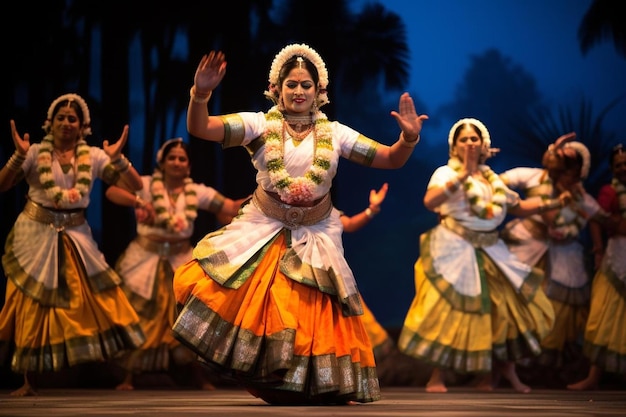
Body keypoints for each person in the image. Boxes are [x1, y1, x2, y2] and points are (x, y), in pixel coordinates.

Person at [171, 43, 428, 405]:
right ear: (275, 89)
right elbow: (202, 128)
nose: (298, 92)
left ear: (319, 91)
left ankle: (312, 385)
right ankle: (271, 379)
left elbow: (388, 159)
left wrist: (408, 138)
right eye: (291, 84)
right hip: (264, 228)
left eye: (306, 85)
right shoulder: (259, 125)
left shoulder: (336, 134)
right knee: (269, 307)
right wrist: (201, 93)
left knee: (315, 313)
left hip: (317, 232)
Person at [398, 118, 569, 394]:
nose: (469, 143)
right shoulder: (445, 173)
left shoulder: (493, 180)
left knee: (502, 310)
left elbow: (520, 206)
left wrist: (553, 202)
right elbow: (430, 202)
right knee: (448, 311)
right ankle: (437, 376)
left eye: (474, 139)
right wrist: (463, 175)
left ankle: (494, 375)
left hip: (491, 248)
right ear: (454, 147)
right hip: (454, 246)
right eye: (463, 139)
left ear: (483, 144)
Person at [0, 93, 146, 396]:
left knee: (94, 297)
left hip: (75, 234)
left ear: (83, 126)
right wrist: (17, 156)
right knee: (32, 302)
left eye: (73, 118)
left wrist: (118, 158)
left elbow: (136, 186)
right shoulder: (34, 152)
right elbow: (3, 185)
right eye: (61, 117)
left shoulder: (92, 157)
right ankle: (29, 380)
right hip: (34, 231)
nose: (67, 122)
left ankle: (105, 362)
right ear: (49, 123)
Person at [104, 137, 246, 391]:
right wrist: (138, 202)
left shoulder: (197, 192)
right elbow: (112, 191)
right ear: (162, 162)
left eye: (182, 159)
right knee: (140, 315)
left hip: (180, 259)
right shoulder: (145, 185)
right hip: (144, 258)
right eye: (172, 158)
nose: (177, 162)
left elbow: (228, 207)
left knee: (187, 316)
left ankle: (198, 375)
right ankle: (128, 376)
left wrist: (258, 201)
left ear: (189, 166)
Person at [499, 136, 610, 383]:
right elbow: (498, 183)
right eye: (563, 171)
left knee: (555, 310)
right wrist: (514, 203)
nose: (566, 179)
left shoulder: (581, 199)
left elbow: (599, 217)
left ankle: (540, 369)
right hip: (526, 245)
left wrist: (598, 246)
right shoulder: (534, 177)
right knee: (514, 301)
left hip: (562, 255)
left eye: (572, 174)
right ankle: (503, 367)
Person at [567, 144, 626, 390]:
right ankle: (593, 377)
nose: (623, 168)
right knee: (605, 313)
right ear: (612, 169)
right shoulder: (609, 191)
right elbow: (595, 218)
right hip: (617, 254)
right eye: (618, 165)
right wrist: (599, 250)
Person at [338, 182, 395, 362]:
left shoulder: (325, 212)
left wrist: (372, 209)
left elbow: (349, 224)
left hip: (331, 271)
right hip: (300, 269)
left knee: (354, 319)